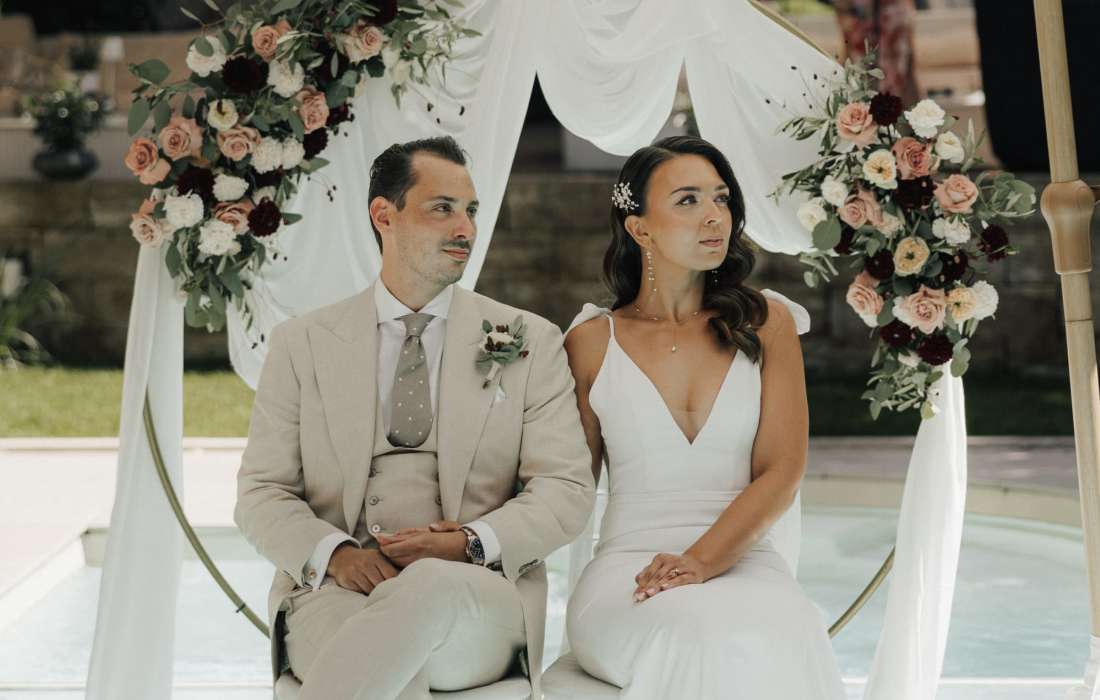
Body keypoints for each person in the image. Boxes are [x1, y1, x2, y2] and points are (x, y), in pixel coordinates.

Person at [234, 136, 595, 700]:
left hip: (477, 598)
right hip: (335, 594)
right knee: (382, 659)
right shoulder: (301, 345)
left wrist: (470, 543)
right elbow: (262, 492)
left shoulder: (530, 341)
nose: (466, 229)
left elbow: (566, 488)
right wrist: (336, 555)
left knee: (423, 593)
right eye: (442, 208)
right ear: (385, 215)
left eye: (470, 211)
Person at [562, 135, 845, 698]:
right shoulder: (592, 342)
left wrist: (701, 560)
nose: (715, 215)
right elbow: (566, 488)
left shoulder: (767, 324)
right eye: (688, 200)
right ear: (640, 228)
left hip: (746, 561)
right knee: (691, 633)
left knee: (796, 628)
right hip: (629, 569)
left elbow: (783, 470)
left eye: (721, 198)